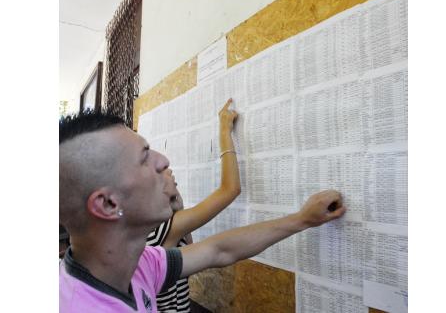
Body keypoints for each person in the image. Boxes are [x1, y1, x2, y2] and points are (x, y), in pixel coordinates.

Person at [59, 105, 346, 313]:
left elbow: (217, 250)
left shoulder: (141, 263)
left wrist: (303, 219)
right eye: (144, 158)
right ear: (108, 204)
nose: (164, 161)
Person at [146, 99, 240, 312]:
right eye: (161, 172)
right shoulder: (160, 228)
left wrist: (178, 206)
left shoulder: (161, 224)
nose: (169, 170)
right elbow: (230, 189)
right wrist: (225, 131)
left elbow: (187, 246)